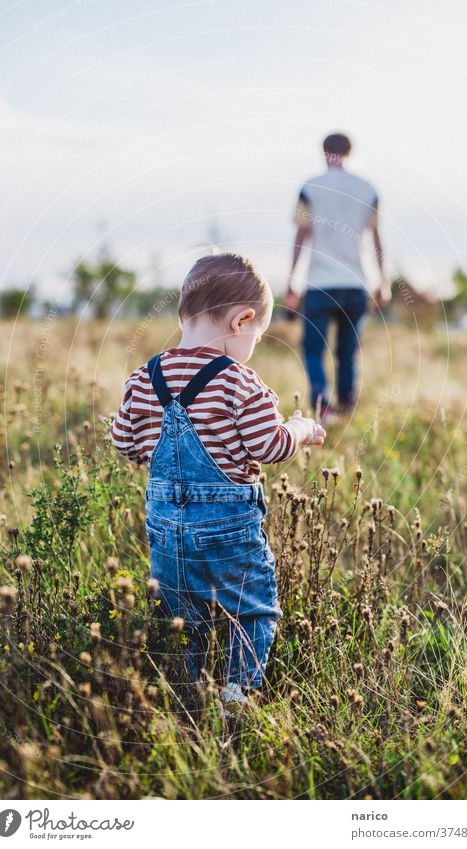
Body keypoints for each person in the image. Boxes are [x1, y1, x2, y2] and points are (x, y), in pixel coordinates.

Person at [111, 253, 325, 709]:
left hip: (167, 532)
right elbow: (270, 447)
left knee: (181, 619)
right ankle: (235, 693)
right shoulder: (241, 384)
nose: (255, 346)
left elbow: (125, 443)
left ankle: (188, 692)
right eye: (258, 335)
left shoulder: (142, 380)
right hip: (229, 531)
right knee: (254, 610)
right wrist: (302, 429)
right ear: (242, 320)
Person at [286, 133, 390, 421]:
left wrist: (291, 281)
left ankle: (323, 405)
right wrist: (383, 280)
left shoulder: (311, 187)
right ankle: (346, 404)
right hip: (356, 282)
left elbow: (302, 235)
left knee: (313, 350)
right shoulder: (367, 188)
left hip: (320, 282)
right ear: (349, 151)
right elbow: (377, 238)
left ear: (324, 151)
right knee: (348, 351)